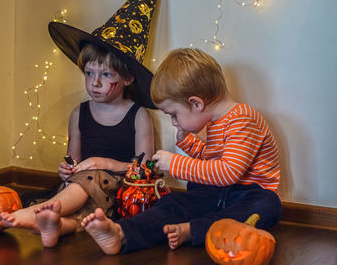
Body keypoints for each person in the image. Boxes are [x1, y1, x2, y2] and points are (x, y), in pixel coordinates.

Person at [81, 48, 282, 255]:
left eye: (174, 114)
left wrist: (176, 163)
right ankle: (122, 233)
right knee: (173, 203)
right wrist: (189, 144)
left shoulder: (244, 119)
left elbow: (229, 172)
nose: (174, 121)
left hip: (247, 194)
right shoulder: (215, 123)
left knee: (267, 205)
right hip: (215, 192)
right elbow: (211, 161)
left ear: (196, 103)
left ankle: (193, 229)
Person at [0, 0, 159, 248]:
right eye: (89, 73)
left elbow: (145, 170)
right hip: (80, 191)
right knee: (84, 211)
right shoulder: (79, 113)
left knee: (93, 178)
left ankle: (36, 212)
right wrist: (67, 169)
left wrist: (106, 164)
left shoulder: (138, 115)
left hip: (118, 191)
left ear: (127, 78)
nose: (95, 82)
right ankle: (55, 225)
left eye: (106, 75)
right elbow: (74, 161)